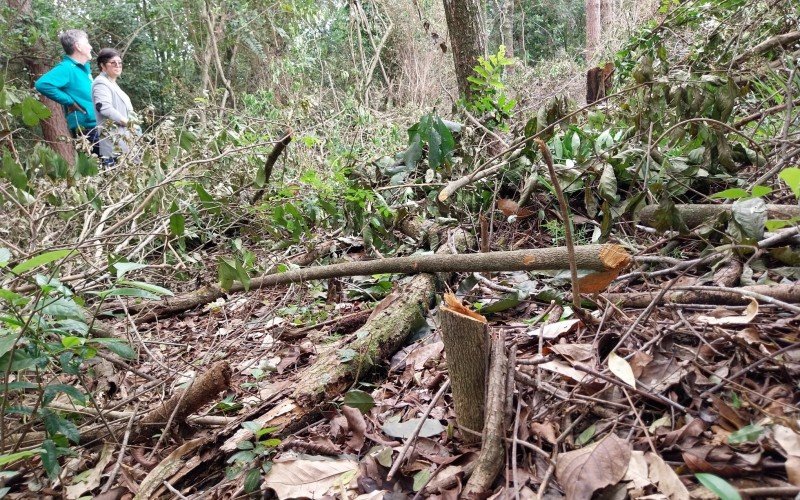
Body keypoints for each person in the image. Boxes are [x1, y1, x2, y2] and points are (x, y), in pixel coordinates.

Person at [34, 29, 99, 157]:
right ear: (78, 46)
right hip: (88, 129)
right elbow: (42, 84)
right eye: (87, 42)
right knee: (106, 170)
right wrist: (69, 101)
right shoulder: (67, 67)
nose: (90, 46)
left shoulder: (83, 68)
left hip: (99, 126)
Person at [91, 48, 139, 165]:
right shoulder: (101, 83)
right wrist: (127, 123)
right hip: (114, 144)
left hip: (127, 141)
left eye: (119, 63)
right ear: (102, 65)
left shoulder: (112, 83)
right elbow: (104, 108)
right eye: (113, 63)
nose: (117, 65)